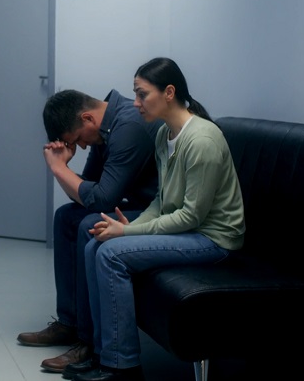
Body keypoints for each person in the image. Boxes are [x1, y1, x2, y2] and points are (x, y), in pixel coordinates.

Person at [69, 58, 246, 381]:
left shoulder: (202, 140)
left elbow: (192, 215)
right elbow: (163, 200)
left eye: (141, 94)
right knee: (97, 242)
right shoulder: (165, 134)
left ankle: (122, 368)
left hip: (214, 239)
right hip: (189, 229)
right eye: (134, 95)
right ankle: (101, 354)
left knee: (111, 253)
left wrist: (128, 232)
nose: (135, 103)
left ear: (169, 92)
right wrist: (128, 229)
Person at [17, 89, 162, 374]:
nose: (81, 147)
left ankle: (88, 341)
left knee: (89, 224)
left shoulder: (128, 126)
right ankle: (69, 323)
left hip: (156, 211)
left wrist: (59, 170)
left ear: (87, 118)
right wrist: (64, 169)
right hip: (134, 205)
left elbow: (101, 199)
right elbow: (89, 191)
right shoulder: (103, 126)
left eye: (78, 140)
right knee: (66, 217)